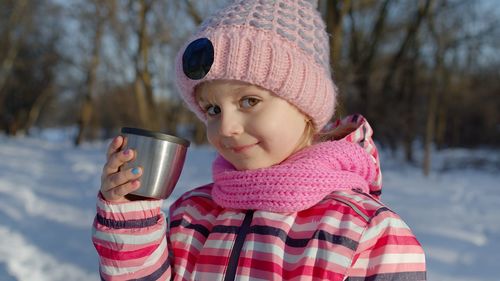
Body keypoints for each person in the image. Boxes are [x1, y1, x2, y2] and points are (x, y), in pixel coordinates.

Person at [92, 0, 427, 280]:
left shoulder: (370, 233)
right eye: (212, 109)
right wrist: (130, 215)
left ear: (305, 104)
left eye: (249, 101)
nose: (226, 128)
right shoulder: (192, 215)